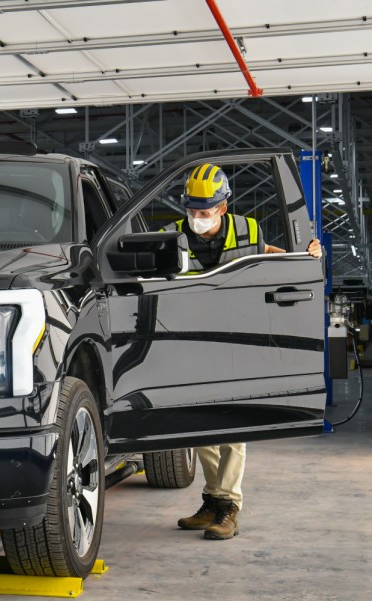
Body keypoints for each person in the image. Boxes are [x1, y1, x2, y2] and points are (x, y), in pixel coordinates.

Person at [161, 163, 322, 540]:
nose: (196, 218)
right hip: (190, 343)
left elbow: (268, 254)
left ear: (223, 205)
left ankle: (229, 506)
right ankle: (213, 500)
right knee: (197, 426)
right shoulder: (169, 236)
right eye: (192, 210)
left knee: (233, 426)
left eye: (205, 211)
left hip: (237, 341)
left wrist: (306, 257)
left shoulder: (248, 229)